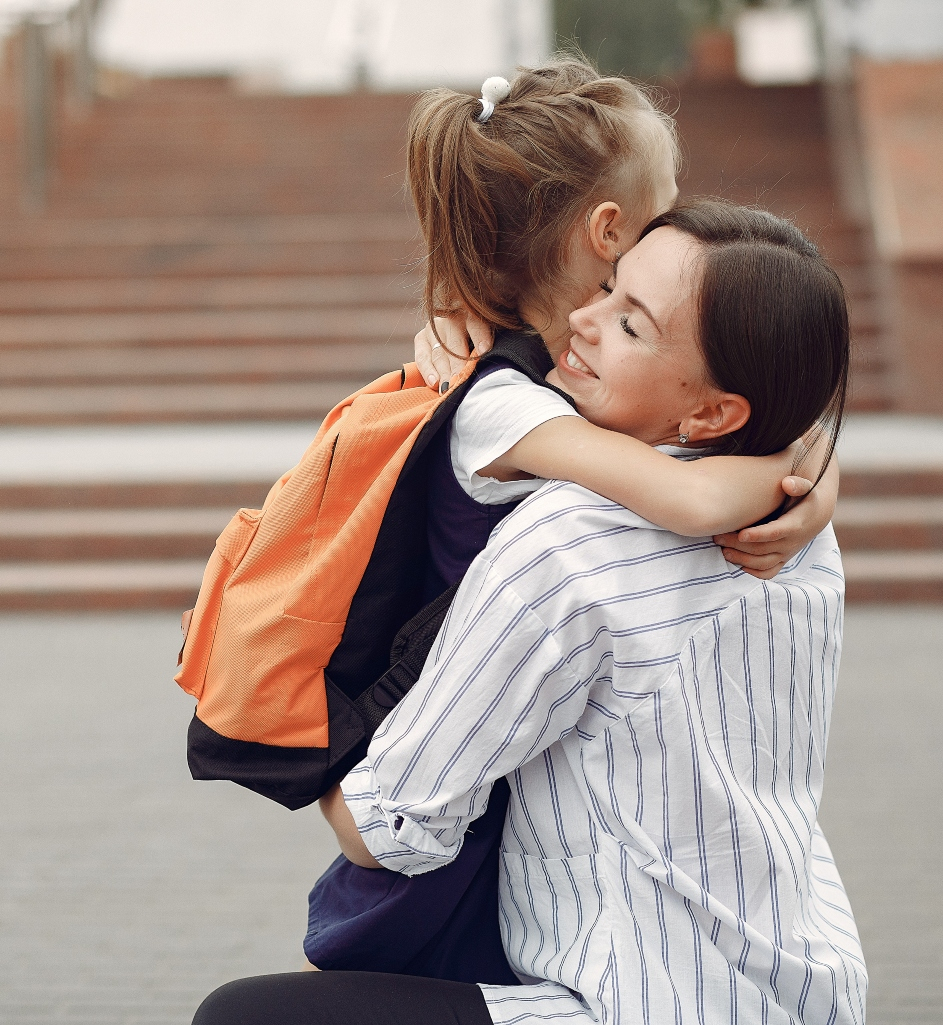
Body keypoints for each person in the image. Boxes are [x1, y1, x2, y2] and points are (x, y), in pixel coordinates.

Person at [192, 200, 865, 1025]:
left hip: (635, 1003)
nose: (580, 318)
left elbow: (389, 828)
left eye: (629, 324)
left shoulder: (567, 539)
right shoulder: (793, 523)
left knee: (246, 1018)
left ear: (712, 415)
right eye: (609, 286)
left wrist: (291, 739)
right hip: (804, 986)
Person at [300, 60, 839, 983]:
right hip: (446, 744)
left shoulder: (559, 378)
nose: (680, 213)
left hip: (507, 745)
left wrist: (810, 463)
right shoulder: (502, 399)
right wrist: (800, 476)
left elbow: (715, 430)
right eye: (667, 201)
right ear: (609, 230)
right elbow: (692, 495)